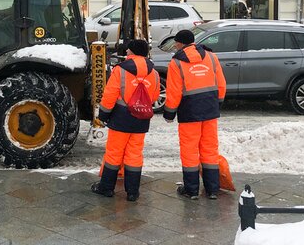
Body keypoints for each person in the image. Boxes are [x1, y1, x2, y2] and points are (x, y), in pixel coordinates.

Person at [91, 38, 160, 202]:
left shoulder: (120, 70)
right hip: (141, 119)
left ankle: (106, 188)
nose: (126, 52)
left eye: (129, 49)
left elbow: (110, 95)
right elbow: (155, 96)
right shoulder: (154, 73)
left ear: (133, 51)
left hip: (121, 118)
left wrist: (103, 115)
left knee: (114, 153)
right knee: (135, 155)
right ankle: (133, 192)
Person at [164, 29, 226, 200]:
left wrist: (169, 113)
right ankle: (212, 189)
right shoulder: (211, 57)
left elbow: (174, 91)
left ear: (180, 43)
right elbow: (221, 83)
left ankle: (191, 190)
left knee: (190, 150)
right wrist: (217, 102)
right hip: (209, 109)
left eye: (176, 42)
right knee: (209, 149)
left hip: (189, 111)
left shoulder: (176, 63)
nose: (175, 45)